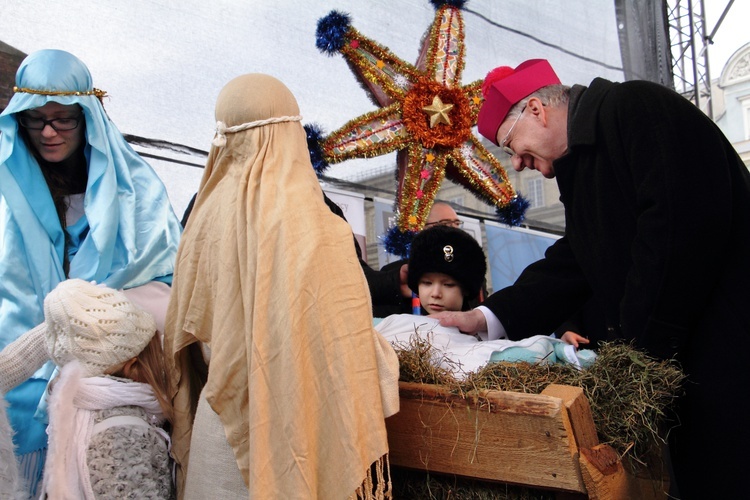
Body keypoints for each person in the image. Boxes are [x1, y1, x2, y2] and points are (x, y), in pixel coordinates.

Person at [432, 58, 750, 498]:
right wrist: (488, 316)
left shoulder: (636, 108)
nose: (520, 164)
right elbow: (577, 259)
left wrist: (636, 354)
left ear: (537, 110)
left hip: (732, 349)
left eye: (512, 146)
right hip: (692, 370)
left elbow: (677, 231)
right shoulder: (581, 165)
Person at [164, 73, 399, 499]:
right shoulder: (314, 226)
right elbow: (344, 342)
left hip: (220, 430)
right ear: (290, 131)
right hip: (294, 429)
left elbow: (188, 335)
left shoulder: (201, 219)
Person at [0, 49, 181, 495]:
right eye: (34, 119)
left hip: (104, 392)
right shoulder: (5, 189)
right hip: (13, 393)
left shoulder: (134, 191)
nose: (48, 131)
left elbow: (169, 282)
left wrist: (92, 314)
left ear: (88, 117)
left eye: (63, 119)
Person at [0, 279, 173, 498]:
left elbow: (10, 365)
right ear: (132, 366)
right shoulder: (118, 434)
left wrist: (73, 321)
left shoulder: (77, 413)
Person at [376, 224, 594, 379]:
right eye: (426, 283)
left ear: (466, 289)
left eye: (448, 285)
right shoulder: (399, 325)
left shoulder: (493, 338)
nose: (435, 293)